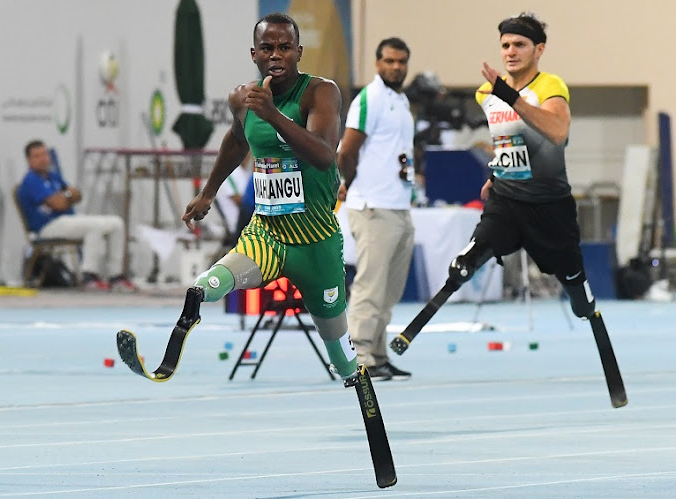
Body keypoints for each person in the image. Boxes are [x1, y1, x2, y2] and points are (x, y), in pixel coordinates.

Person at [175, 12, 359, 383]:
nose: (276, 55)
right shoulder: (243, 99)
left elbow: (324, 156)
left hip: (316, 241)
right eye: (268, 48)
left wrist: (274, 115)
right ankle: (193, 306)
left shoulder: (321, 92)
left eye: (285, 47)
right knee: (209, 282)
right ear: (254, 54)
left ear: (299, 51)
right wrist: (207, 193)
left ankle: (357, 381)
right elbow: (236, 140)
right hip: (268, 233)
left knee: (338, 350)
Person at [410, 13, 605, 336]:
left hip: (549, 202)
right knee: (472, 253)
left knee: (573, 282)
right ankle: (473, 255)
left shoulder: (549, 86)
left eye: (520, 45)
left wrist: (510, 95)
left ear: (538, 50)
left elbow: (558, 132)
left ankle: (579, 291)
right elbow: (508, 139)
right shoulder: (486, 93)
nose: (511, 52)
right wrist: (498, 170)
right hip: (507, 196)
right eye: (505, 45)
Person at [337, 37, 415, 381]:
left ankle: (379, 355)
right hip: (372, 206)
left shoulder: (401, 99)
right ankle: (360, 356)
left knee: (390, 290)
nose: (396, 67)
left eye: (401, 62)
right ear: (377, 63)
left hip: (399, 205)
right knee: (370, 286)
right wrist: (349, 183)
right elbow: (346, 151)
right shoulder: (369, 99)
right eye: (389, 61)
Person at [16, 140, 136, 291]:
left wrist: (63, 197)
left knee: (117, 223)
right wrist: (65, 197)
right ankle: (89, 276)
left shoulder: (53, 176)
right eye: (37, 156)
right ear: (29, 160)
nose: (43, 159)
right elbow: (59, 204)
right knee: (95, 226)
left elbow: (77, 195)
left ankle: (116, 276)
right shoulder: (31, 180)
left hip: (67, 220)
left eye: (45, 154)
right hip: (47, 227)